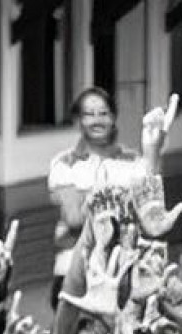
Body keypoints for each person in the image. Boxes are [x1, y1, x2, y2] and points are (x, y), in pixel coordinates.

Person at [45, 86, 143, 281]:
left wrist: (91, 198)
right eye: (89, 114)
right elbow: (74, 218)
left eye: (103, 113)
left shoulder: (133, 161)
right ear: (79, 121)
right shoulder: (63, 164)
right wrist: (118, 199)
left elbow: (143, 212)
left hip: (121, 271)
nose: (97, 120)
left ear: (113, 118)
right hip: (73, 268)